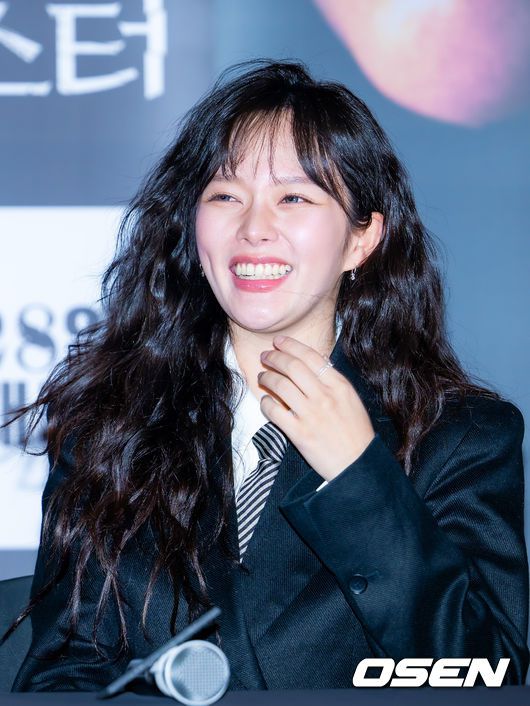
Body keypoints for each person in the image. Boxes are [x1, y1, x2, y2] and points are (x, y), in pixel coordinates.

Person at [6, 59, 528, 691]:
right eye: (226, 196)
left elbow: (491, 676)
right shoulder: (112, 429)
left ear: (361, 239)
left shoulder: (462, 437)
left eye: (294, 198)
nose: (254, 229)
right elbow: (64, 674)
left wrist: (358, 475)